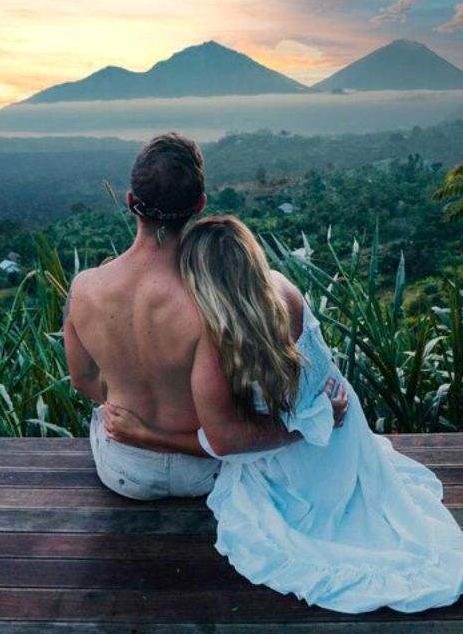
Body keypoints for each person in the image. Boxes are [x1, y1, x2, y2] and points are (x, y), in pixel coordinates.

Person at [103, 215, 463, 614]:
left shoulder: (219, 339)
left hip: (299, 459)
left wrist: (144, 435)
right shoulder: (282, 287)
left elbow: (226, 442)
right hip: (343, 438)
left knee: (286, 532)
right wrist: (319, 416)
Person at [65, 132, 314, 500]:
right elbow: (224, 436)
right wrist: (305, 431)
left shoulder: (84, 287)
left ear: (132, 202)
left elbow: (83, 381)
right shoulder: (214, 301)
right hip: (205, 472)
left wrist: (132, 403)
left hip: (122, 469)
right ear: (200, 203)